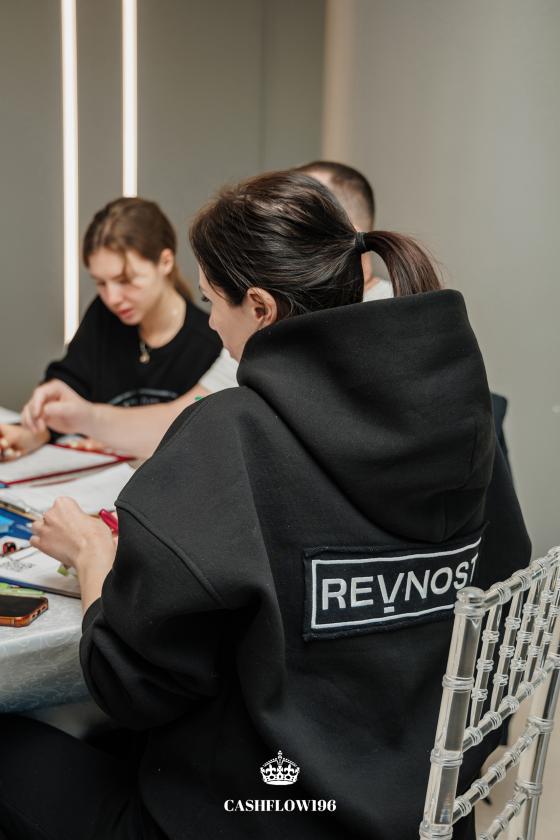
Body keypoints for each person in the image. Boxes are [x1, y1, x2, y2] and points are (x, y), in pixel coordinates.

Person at [0, 171, 530, 840]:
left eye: (211, 299)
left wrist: (90, 555)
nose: (209, 321)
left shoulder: (232, 435)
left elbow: (129, 686)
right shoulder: (463, 419)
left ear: (259, 307)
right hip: (420, 802)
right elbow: (500, 606)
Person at [17, 161, 387, 458]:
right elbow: (185, 421)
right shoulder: (252, 341)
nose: (213, 322)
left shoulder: (382, 328)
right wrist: (80, 418)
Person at [0, 197, 221, 459]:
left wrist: (105, 432)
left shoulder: (211, 341)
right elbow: (73, 379)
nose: (113, 298)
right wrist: (35, 430)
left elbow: (196, 436)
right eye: (101, 283)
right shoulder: (104, 317)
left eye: (125, 280)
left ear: (165, 261)